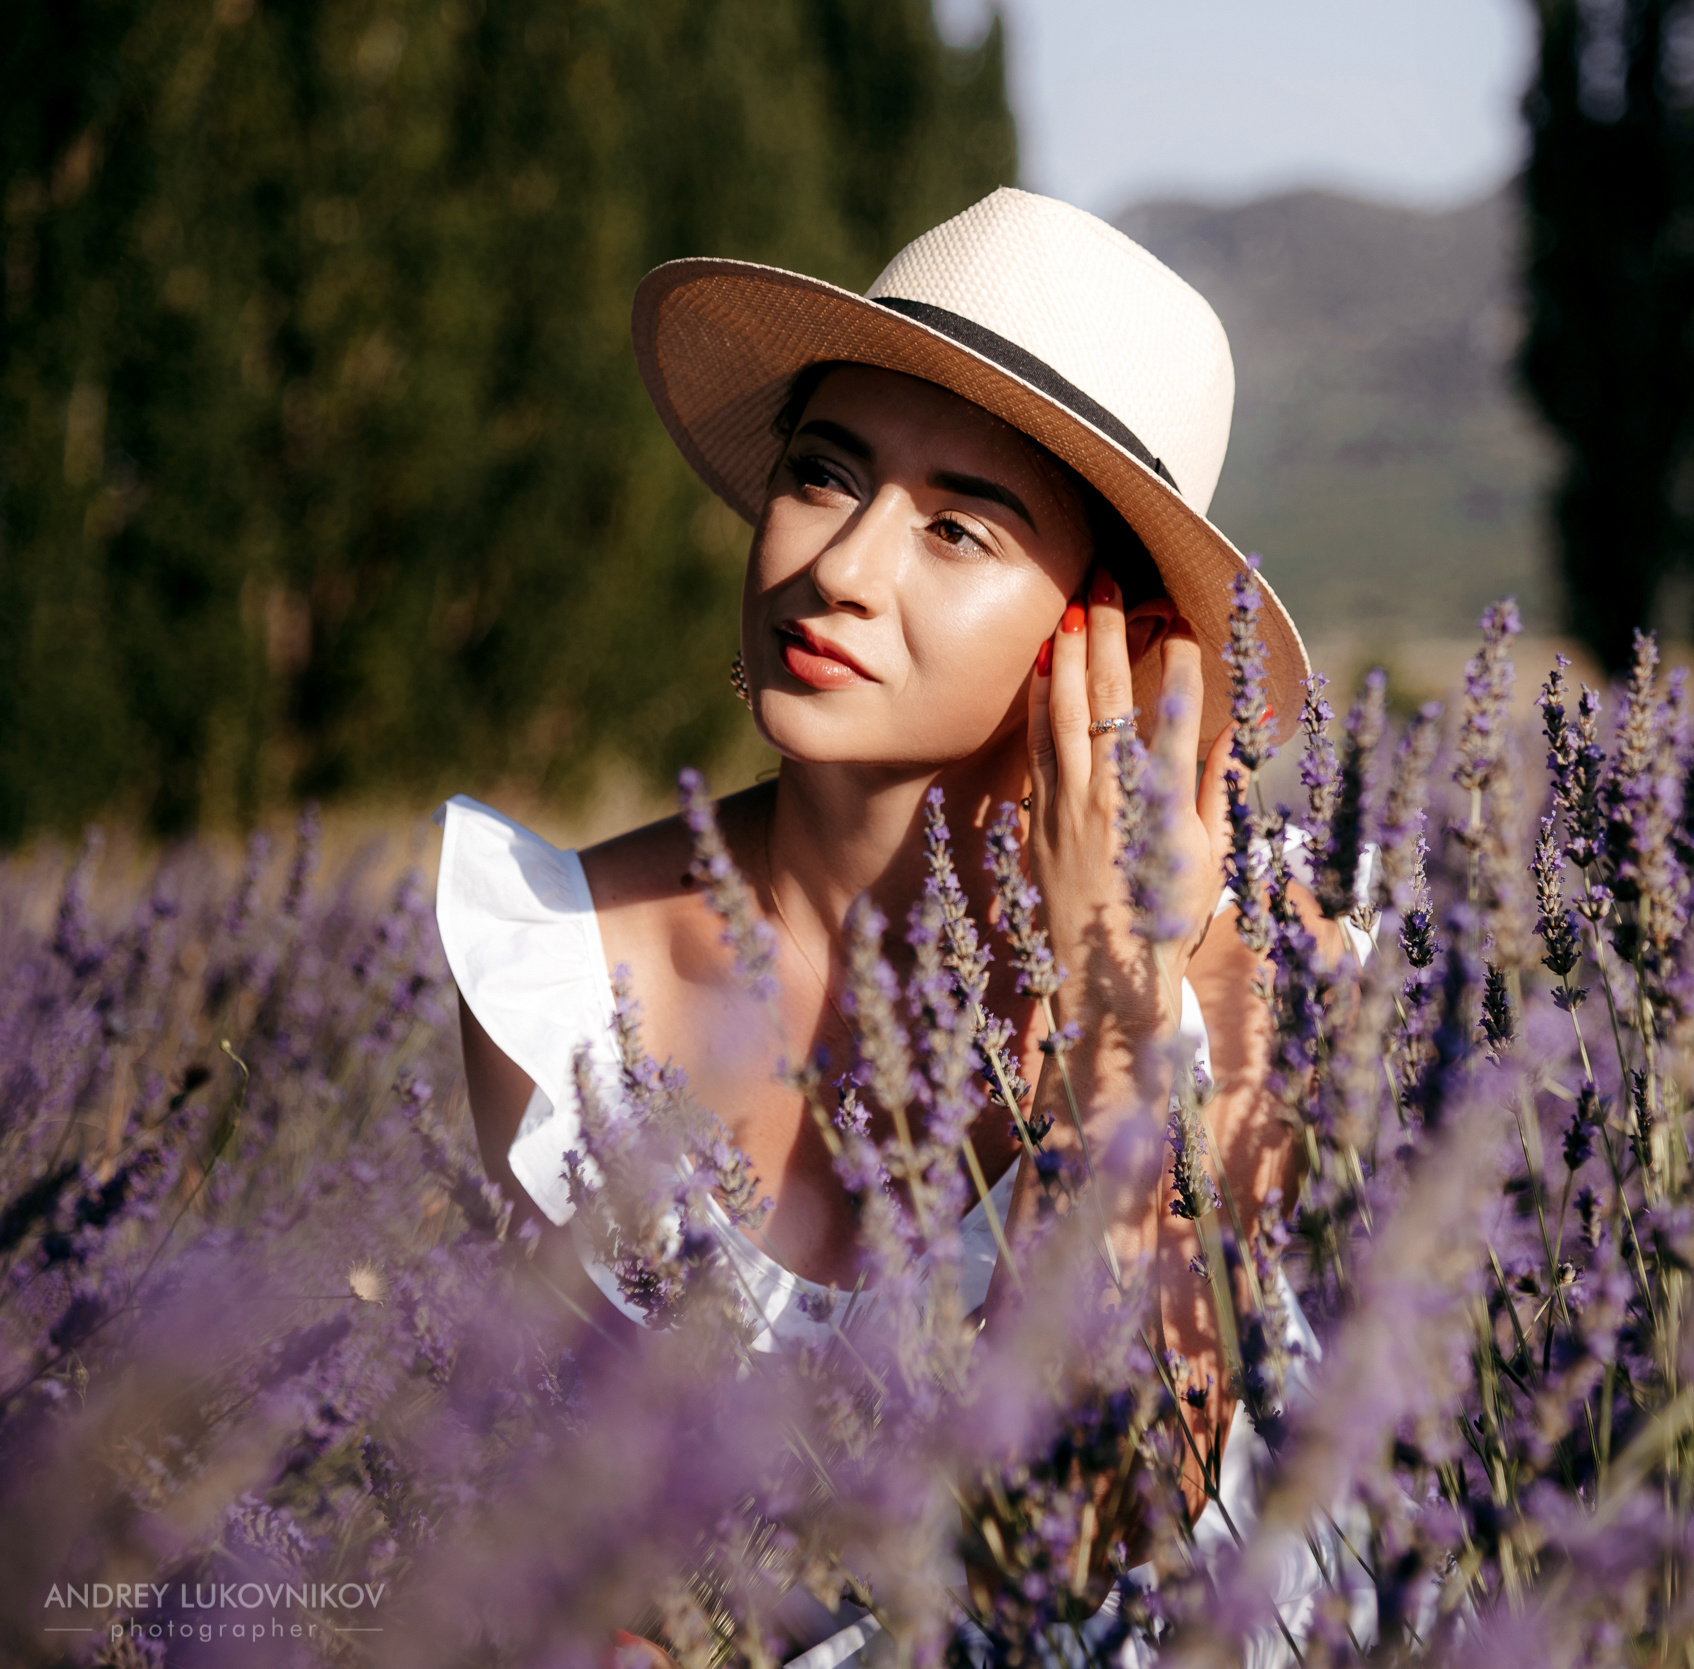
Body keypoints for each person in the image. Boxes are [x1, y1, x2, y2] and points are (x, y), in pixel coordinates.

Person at [434, 188, 1363, 1665]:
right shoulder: (563, 968)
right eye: (823, 472)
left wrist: (1117, 1004)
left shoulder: (1258, 988)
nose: (841, 568)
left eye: (954, 527)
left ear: (1110, 637)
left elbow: (1106, 1522)